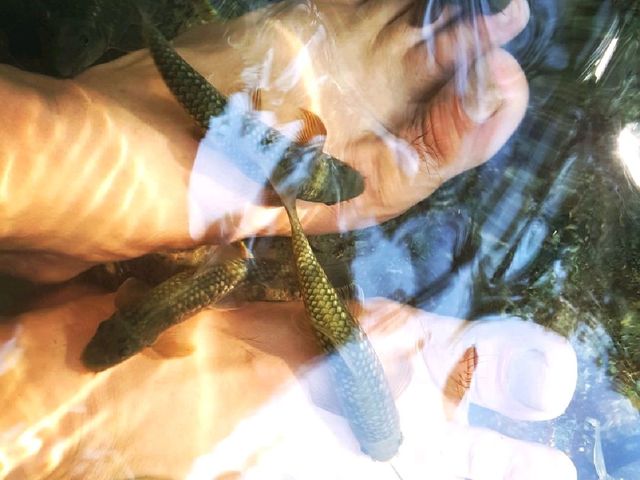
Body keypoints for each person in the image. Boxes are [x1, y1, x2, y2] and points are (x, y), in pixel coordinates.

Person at [0, 0, 578, 478]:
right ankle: (98, 405)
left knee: (37, 150)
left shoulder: (317, 158)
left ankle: (80, 147)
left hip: (292, 170)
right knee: (70, 411)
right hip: (318, 295)